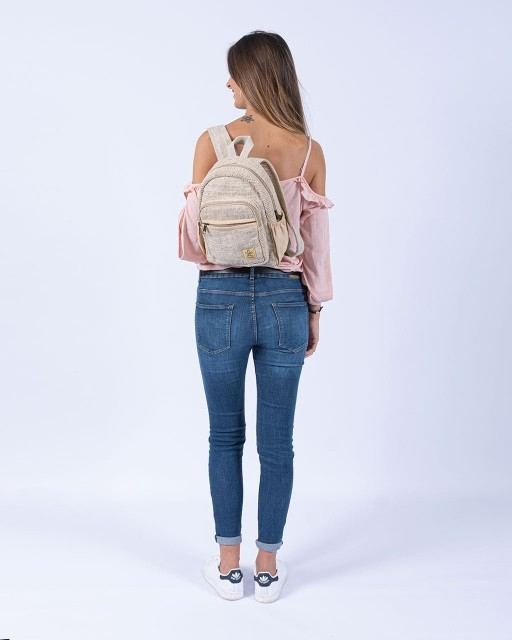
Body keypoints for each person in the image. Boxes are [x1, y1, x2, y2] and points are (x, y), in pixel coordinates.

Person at [177, 30, 335, 603]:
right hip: (284, 300)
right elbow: (316, 246)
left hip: (218, 298)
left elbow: (192, 237)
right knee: (278, 441)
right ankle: (266, 568)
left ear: (254, 77)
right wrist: (313, 308)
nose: (227, 84)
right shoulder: (309, 151)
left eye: (234, 74)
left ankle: (227, 568)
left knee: (224, 434)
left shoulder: (211, 141)